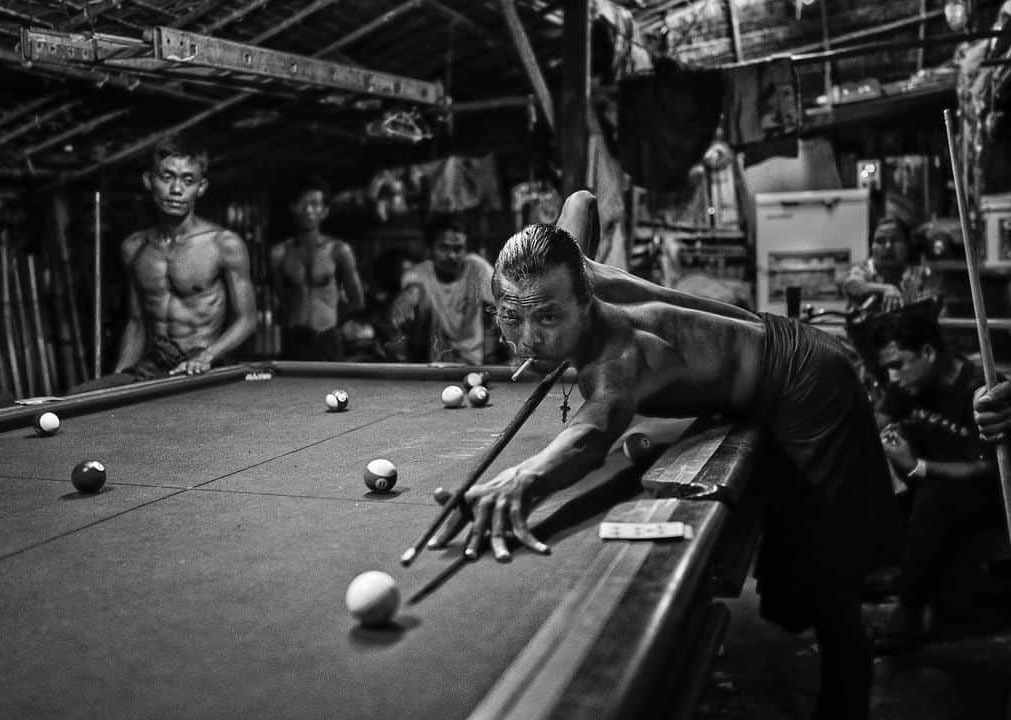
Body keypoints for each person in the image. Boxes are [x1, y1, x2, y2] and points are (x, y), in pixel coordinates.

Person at [428, 191, 901, 720]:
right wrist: (562, 253)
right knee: (799, 572)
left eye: (547, 319)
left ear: (584, 299)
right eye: (512, 317)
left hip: (810, 384)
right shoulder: (567, 261)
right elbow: (581, 200)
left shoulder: (617, 357)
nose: (528, 338)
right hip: (778, 348)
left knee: (829, 576)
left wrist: (521, 479)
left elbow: (589, 436)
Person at [71, 136, 257, 393]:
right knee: (80, 395)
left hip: (203, 367)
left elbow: (247, 319)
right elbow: (136, 323)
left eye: (188, 180)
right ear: (149, 180)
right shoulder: (134, 248)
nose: (177, 189)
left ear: (201, 187)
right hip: (154, 365)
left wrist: (207, 356)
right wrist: (118, 379)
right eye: (167, 177)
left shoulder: (223, 244)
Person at [871, 310, 1003, 651]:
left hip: (982, 496)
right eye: (888, 367)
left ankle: (908, 610)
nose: (894, 376)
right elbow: (876, 422)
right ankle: (881, 570)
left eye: (899, 363)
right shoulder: (907, 384)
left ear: (928, 353)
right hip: (927, 488)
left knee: (936, 496)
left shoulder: (979, 389)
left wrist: (917, 466)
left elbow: (986, 470)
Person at [270, 176, 365, 361]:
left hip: (327, 338)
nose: (308, 210)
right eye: (301, 204)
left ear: (325, 211)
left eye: (314, 204)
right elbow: (281, 297)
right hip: (294, 339)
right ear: (292, 208)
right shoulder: (279, 254)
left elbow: (357, 300)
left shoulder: (339, 250)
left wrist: (330, 322)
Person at [389, 214, 496, 365]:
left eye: (458, 248)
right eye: (444, 248)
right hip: (432, 367)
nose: (452, 255)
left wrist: (494, 356)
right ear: (430, 249)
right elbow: (413, 288)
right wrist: (409, 296)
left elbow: (502, 307)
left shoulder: (477, 267)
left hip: (472, 366)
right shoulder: (419, 273)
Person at [843, 215, 931, 315]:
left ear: (908, 245)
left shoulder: (919, 274)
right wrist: (887, 289)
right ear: (871, 246)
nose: (888, 247)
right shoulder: (863, 270)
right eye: (880, 241)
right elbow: (852, 286)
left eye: (894, 240)